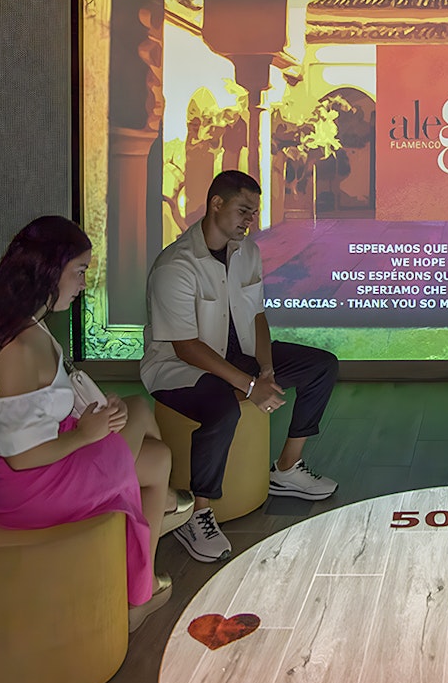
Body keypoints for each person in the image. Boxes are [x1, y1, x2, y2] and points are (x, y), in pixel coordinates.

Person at [0, 216, 191, 632]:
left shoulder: (20, 323)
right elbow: (22, 458)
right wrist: (87, 433)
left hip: (25, 468)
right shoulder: (17, 348)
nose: (83, 284)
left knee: (149, 437)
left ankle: (145, 561)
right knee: (147, 433)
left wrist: (91, 419)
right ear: (49, 270)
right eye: (79, 271)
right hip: (21, 488)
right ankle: (142, 579)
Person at [143, 169, 341, 563]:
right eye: (243, 210)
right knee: (222, 406)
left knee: (322, 365)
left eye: (253, 212)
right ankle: (197, 513)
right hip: (179, 367)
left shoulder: (247, 251)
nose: (250, 220)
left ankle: (287, 468)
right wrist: (250, 387)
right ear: (216, 204)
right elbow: (185, 347)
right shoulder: (175, 265)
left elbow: (257, 315)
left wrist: (265, 370)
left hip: (241, 357)